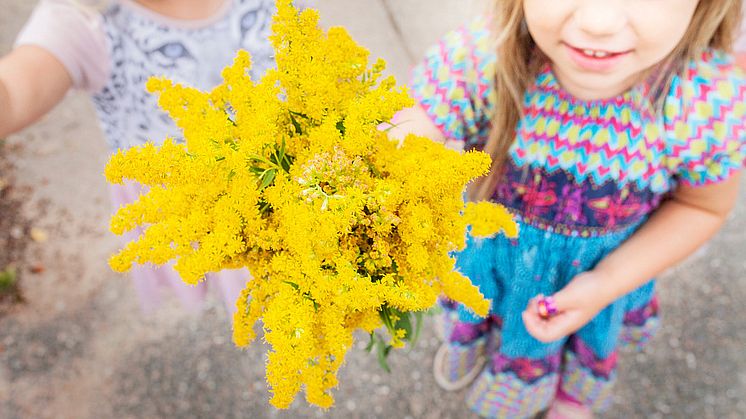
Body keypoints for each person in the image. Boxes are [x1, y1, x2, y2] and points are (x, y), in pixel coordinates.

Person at [390, 0, 746, 417]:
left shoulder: (706, 103)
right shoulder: (483, 54)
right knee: (474, 317)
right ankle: (472, 344)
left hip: (606, 278)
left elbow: (701, 208)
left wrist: (607, 282)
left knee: (583, 344)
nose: (598, 22)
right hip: (488, 269)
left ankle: (570, 396)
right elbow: (412, 128)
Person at [0, 0, 279, 314]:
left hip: (292, 174)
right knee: (244, 276)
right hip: (188, 209)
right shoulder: (80, 24)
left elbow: (313, 48)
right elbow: (12, 93)